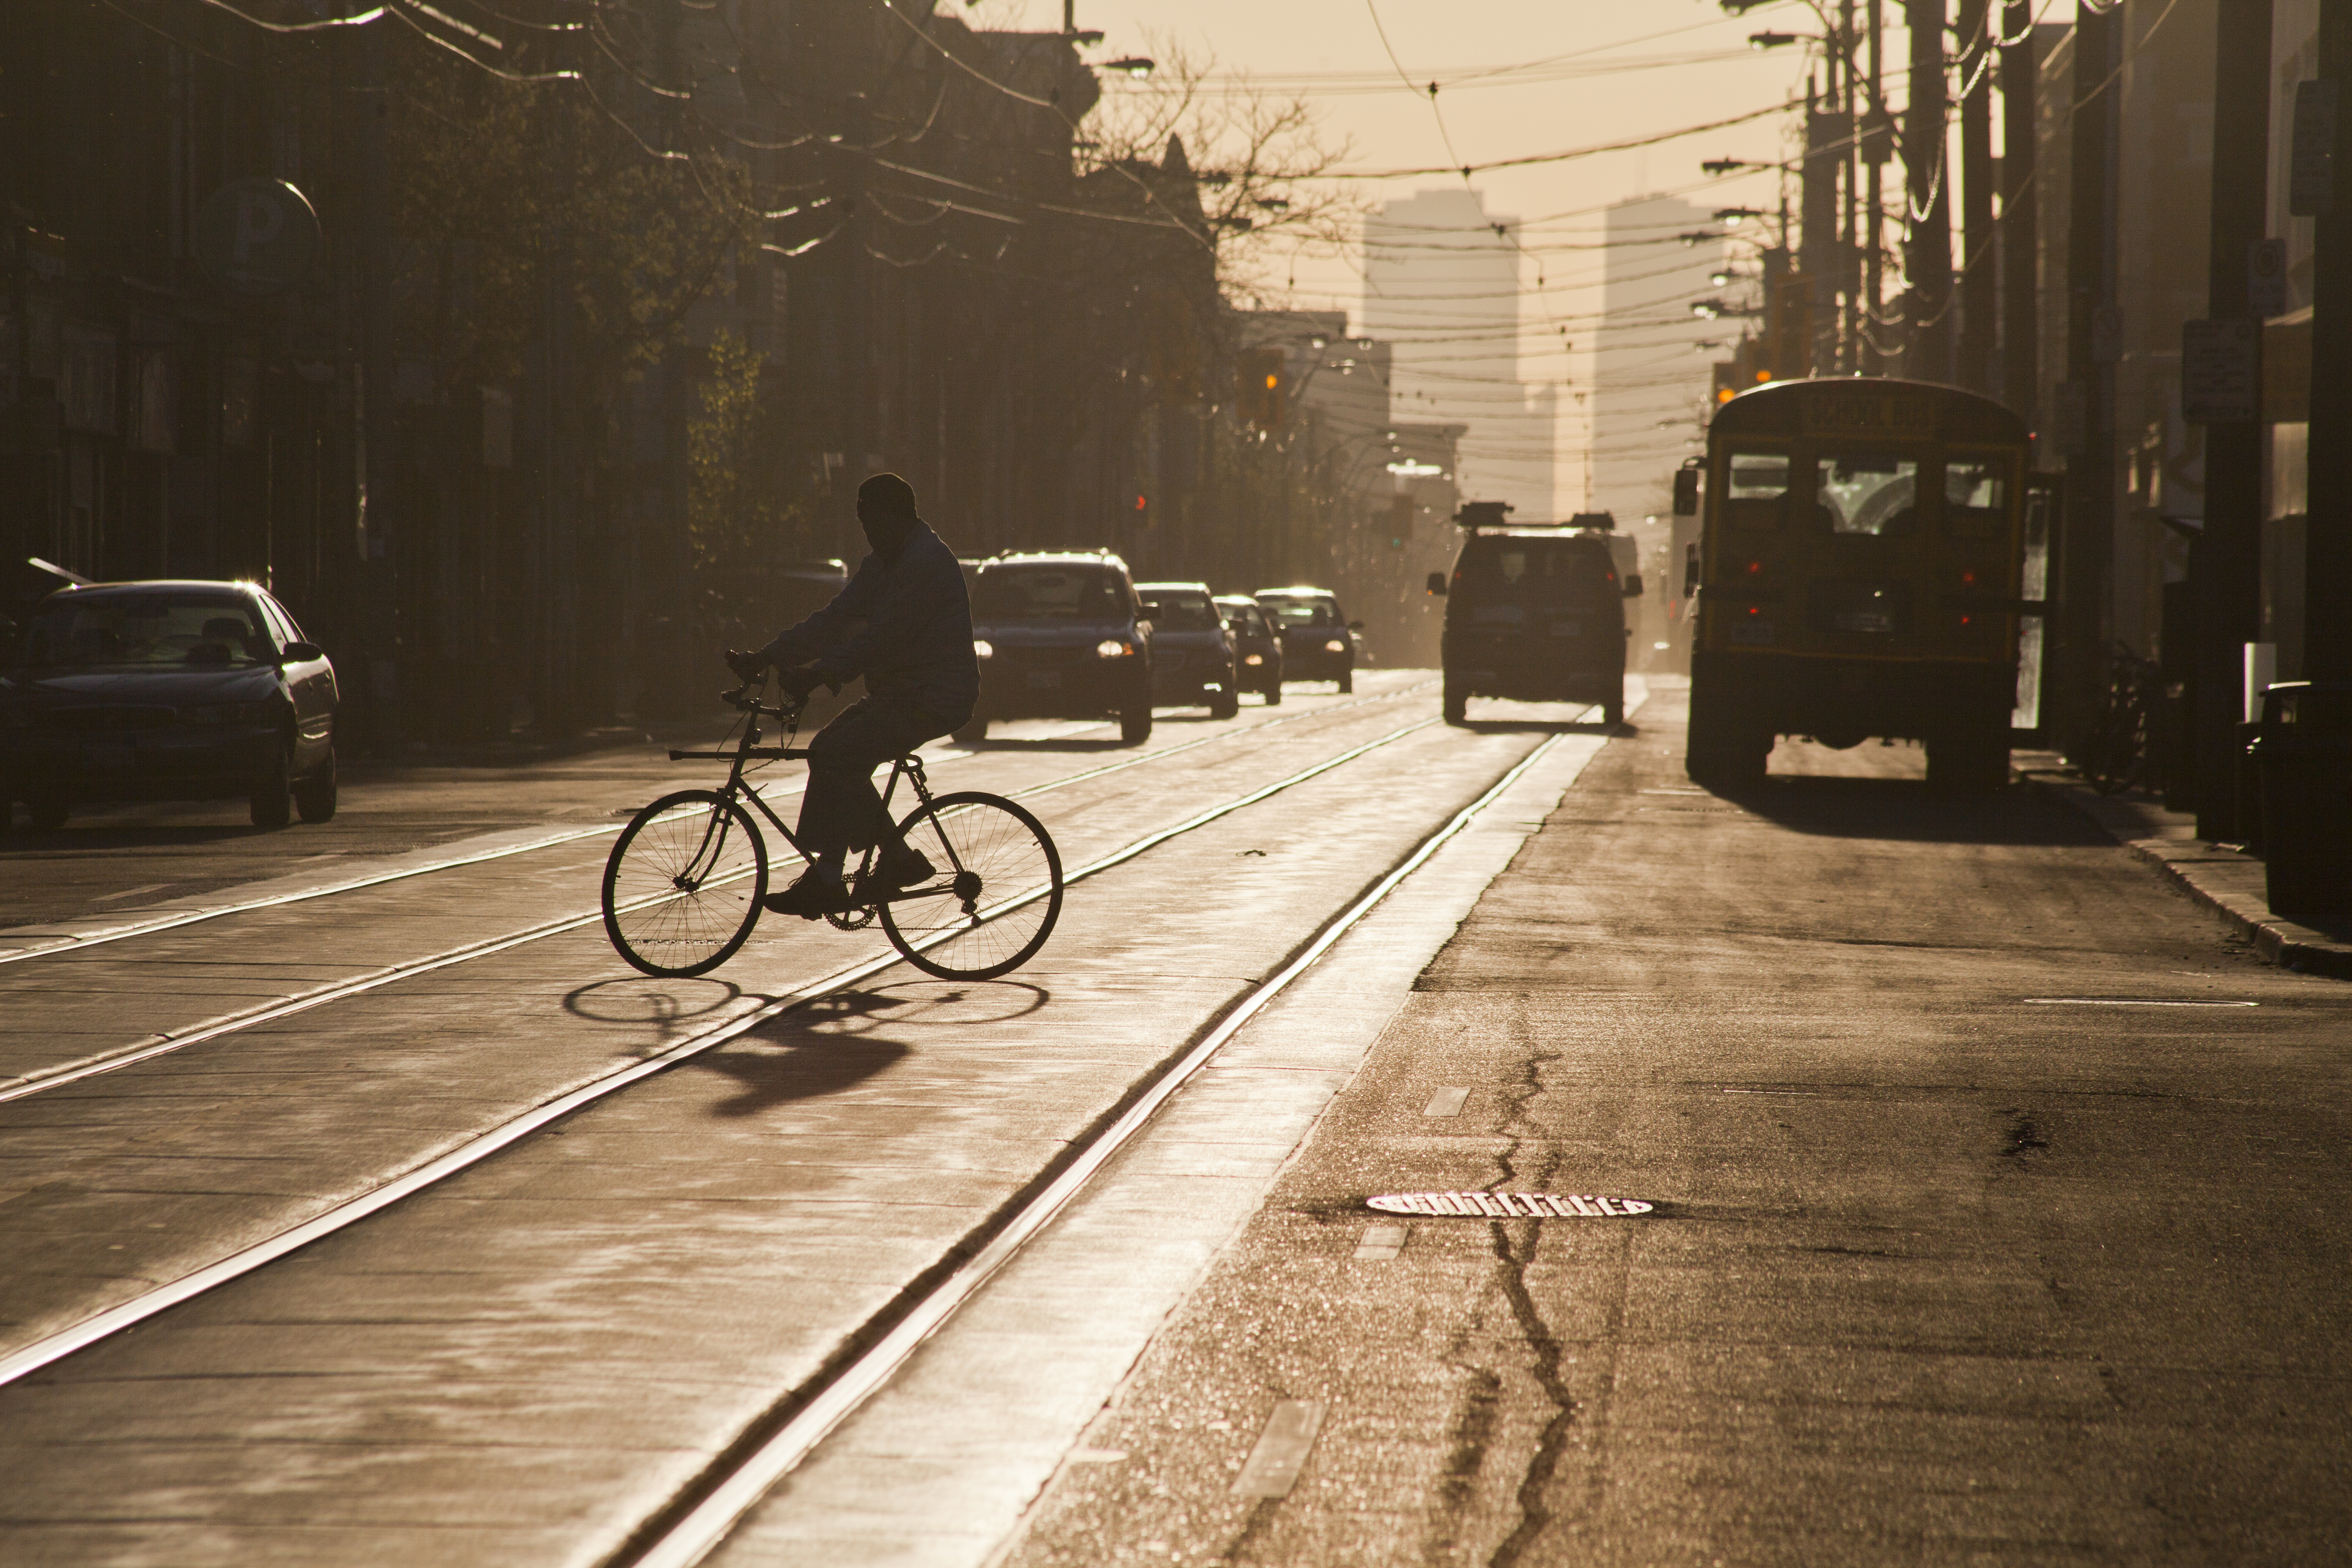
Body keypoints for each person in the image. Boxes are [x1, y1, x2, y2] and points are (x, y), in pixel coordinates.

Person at [726, 473, 978, 917]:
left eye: (872, 522)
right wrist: (768, 655)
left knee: (841, 755)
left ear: (897, 518)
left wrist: (821, 674)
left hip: (936, 695)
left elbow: (882, 639)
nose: (868, 533)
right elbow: (835, 619)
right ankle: (896, 860)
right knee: (827, 751)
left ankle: (831, 878)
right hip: (902, 693)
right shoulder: (883, 562)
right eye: (863, 524)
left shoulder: (925, 563)